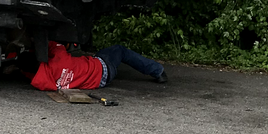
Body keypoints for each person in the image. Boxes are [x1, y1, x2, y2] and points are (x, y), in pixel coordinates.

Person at [31, 41, 167, 91]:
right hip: (102, 67)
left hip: (98, 82)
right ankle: (158, 71)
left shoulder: (41, 81)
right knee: (119, 50)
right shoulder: (58, 60)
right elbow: (54, 43)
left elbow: (25, 69)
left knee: (101, 54)